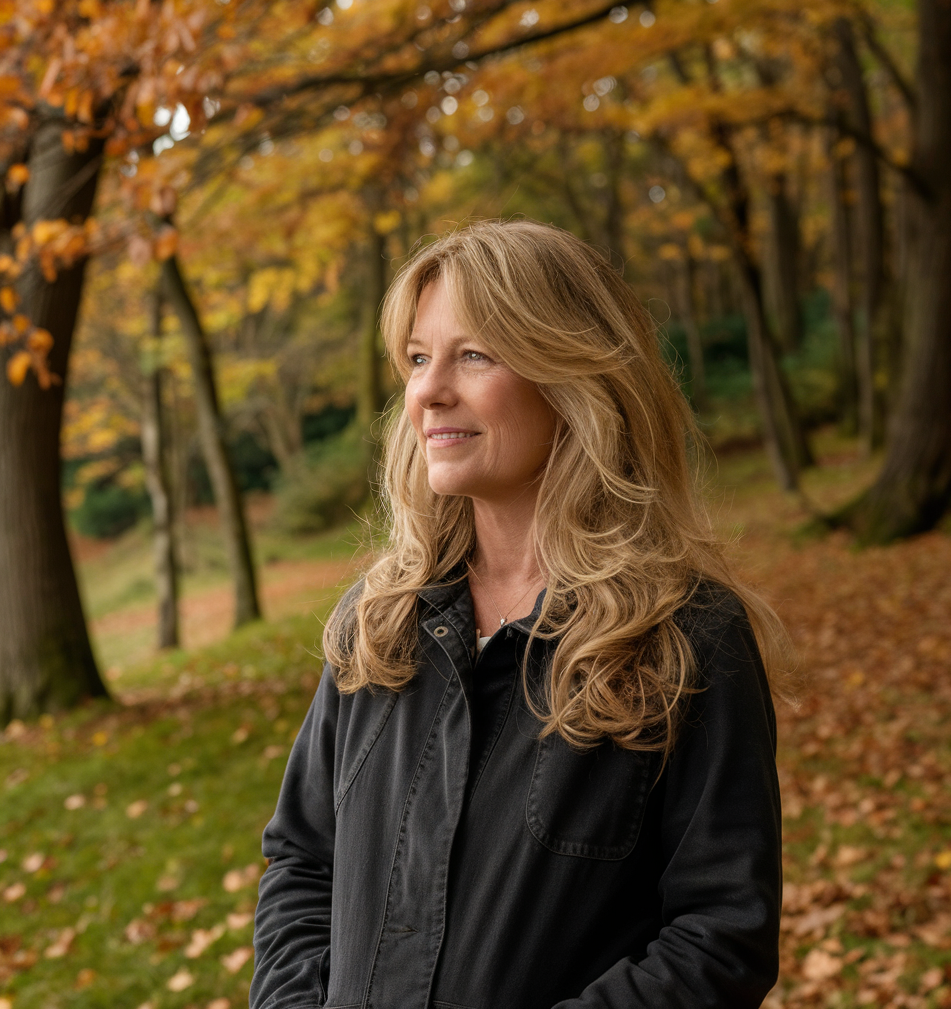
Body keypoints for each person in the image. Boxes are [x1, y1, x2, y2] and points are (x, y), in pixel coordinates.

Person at [251, 219, 784, 1009]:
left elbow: (721, 932)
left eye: (474, 355)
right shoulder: (377, 623)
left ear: (571, 377)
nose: (429, 391)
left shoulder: (685, 636)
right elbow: (301, 862)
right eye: (419, 358)